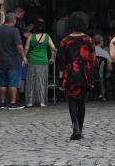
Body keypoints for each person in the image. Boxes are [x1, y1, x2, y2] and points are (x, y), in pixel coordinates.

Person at [59, 11, 96, 140]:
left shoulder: (65, 41)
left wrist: (61, 76)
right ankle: (80, 126)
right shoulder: (89, 40)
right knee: (82, 102)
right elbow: (93, 60)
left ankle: (75, 125)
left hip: (70, 74)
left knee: (72, 101)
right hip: (84, 74)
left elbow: (61, 60)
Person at [0, 13, 28, 110]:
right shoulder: (14, 31)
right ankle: (13, 102)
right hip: (13, 60)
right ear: (14, 21)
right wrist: (23, 56)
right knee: (13, 82)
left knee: (2, 83)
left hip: (1, 60)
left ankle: (2, 103)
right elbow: (19, 45)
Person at [25, 19, 56, 108]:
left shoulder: (31, 36)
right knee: (42, 80)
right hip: (43, 61)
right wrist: (52, 58)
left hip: (32, 60)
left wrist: (24, 58)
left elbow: (26, 48)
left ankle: (30, 102)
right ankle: (42, 101)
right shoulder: (46, 36)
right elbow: (53, 48)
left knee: (31, 81)